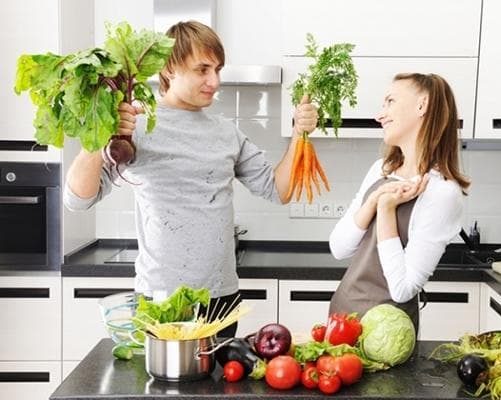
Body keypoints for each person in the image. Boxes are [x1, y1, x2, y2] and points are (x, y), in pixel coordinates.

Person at [64, 21, 317, 337]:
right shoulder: (136, 124)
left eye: (218, 70)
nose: (215, 81)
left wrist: (298, 133)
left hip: (221, 298)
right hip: (162, 298)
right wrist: (100, 134)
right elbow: (77, 199)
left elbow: (279, 190)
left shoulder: (227, 133)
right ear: (170, 69)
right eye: (203, 70)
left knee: (220, 385)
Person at [328, 73, 469, 333]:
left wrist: (385, 210)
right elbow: (338, 248)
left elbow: (402, 289)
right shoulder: (380, 170)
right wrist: (372, 201)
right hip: (340, 320)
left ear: (422, 105)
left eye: (390, 102)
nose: (380, 115)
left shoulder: (442, 192)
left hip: (387, 335)